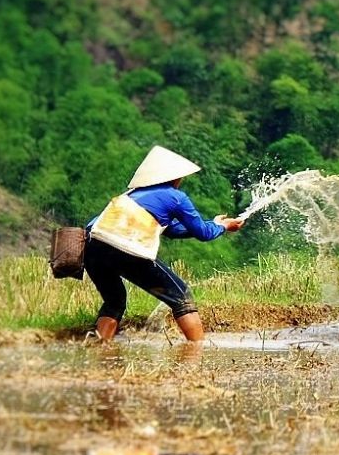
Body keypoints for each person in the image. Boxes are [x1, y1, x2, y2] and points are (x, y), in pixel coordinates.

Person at [86, 146, 244, 342]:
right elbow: (203, 233)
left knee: (114, 300)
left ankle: (100, 348)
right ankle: (197, 353)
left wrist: (216, 224)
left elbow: (174, 230)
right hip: (124, 247)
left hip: (92, 247)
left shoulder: (132, 195)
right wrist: (223, 226)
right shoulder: (176, 197)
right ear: (174, 178)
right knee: (182, 297)